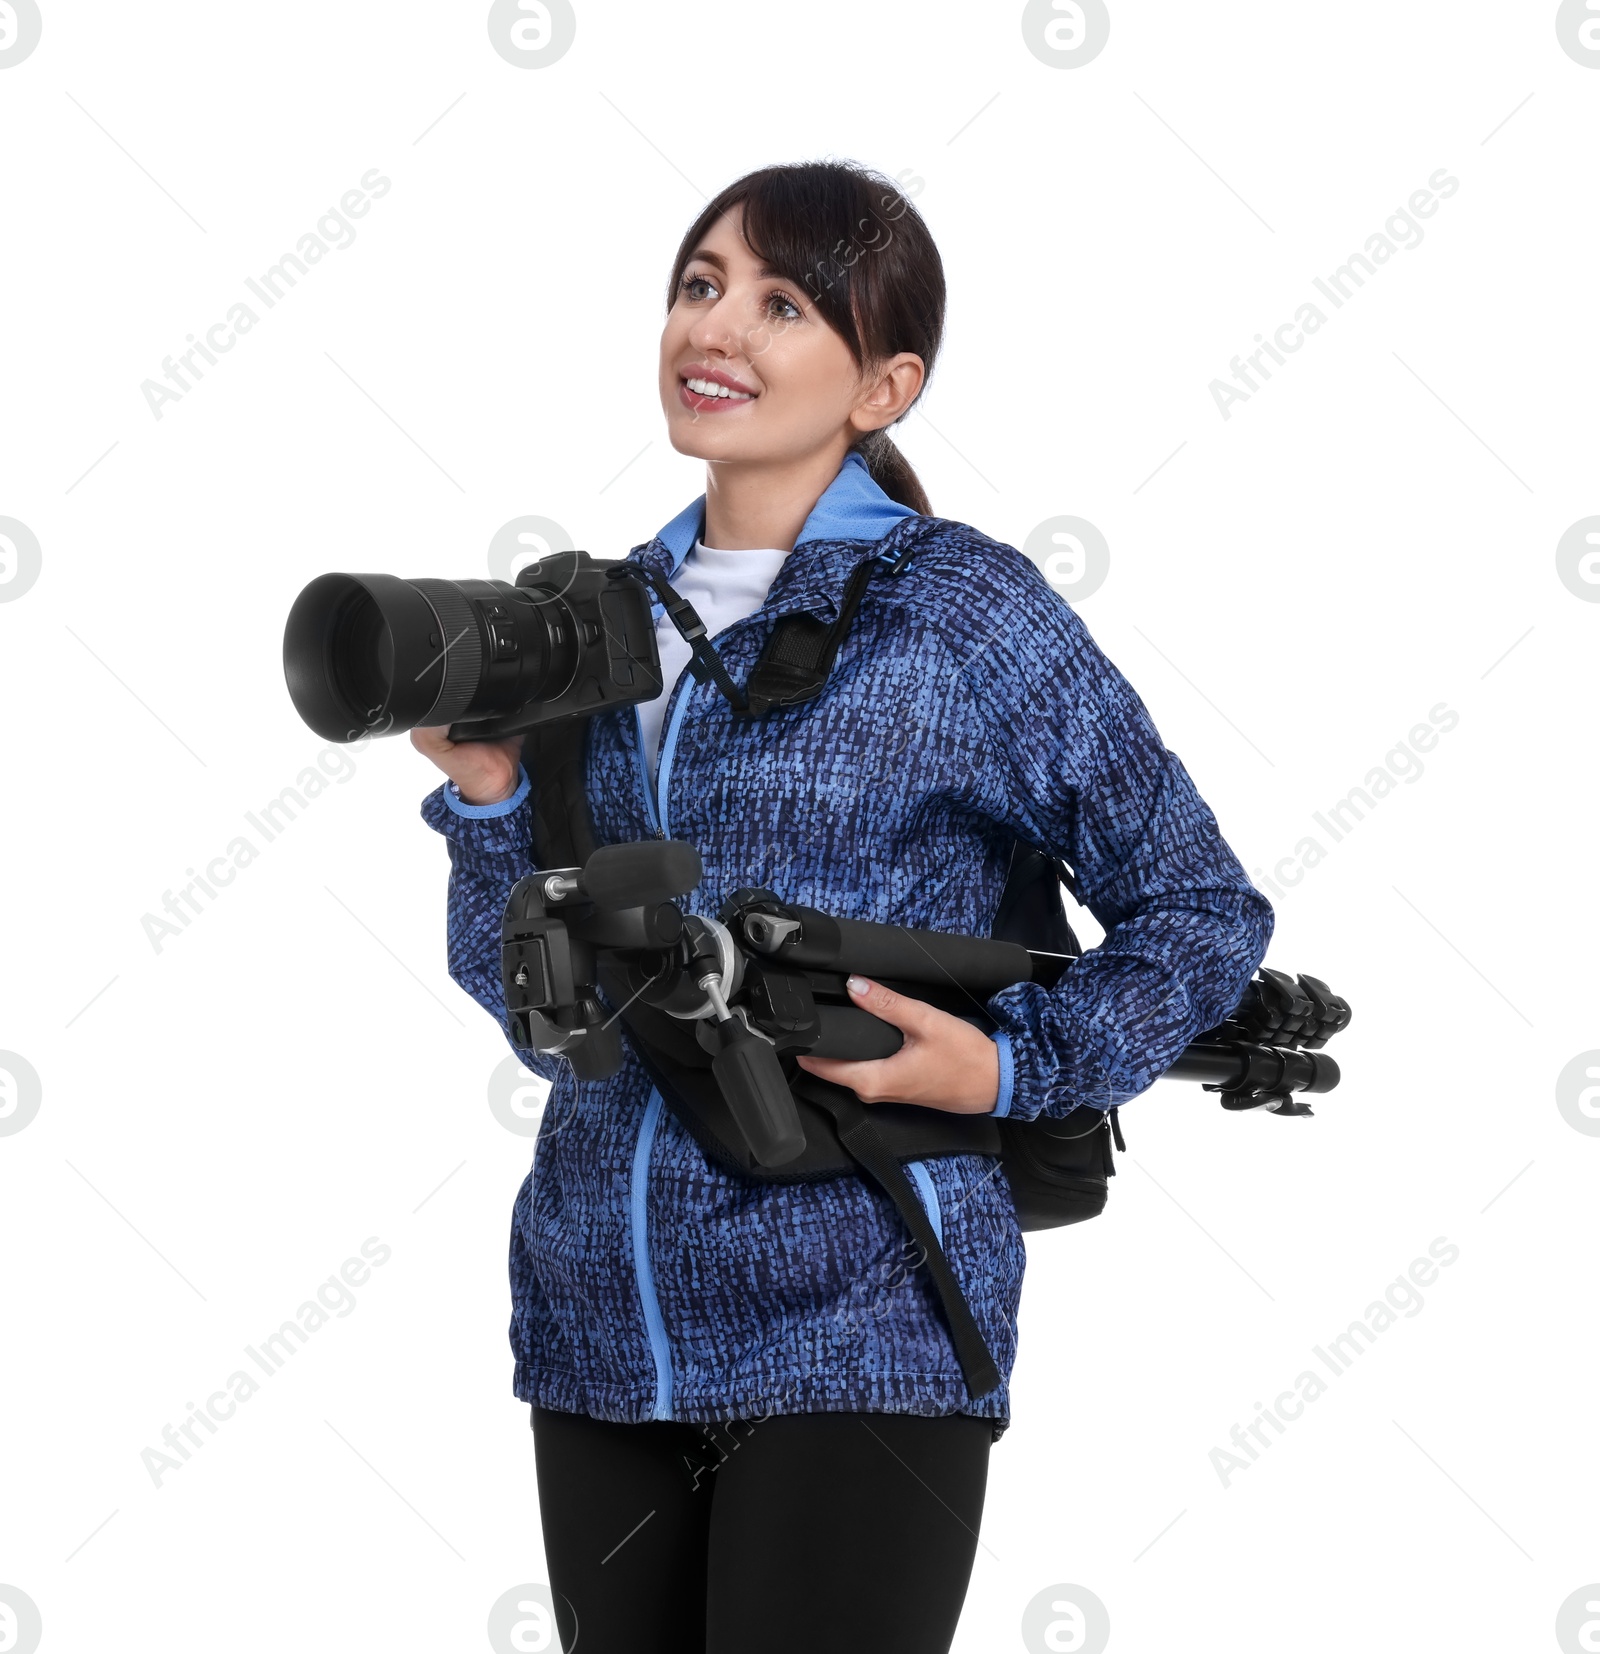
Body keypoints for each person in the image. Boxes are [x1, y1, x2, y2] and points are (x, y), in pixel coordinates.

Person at [413, 160, 1273, 1654]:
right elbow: (558, 1031)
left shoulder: (965, 613)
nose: (718, 328)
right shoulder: (592, 619)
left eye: (781, 301)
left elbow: (1200, 908)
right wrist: (491, 801)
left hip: (863, 1326)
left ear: (886, 383)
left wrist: (1008, 1067)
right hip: (601, 1329)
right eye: (699, 286)